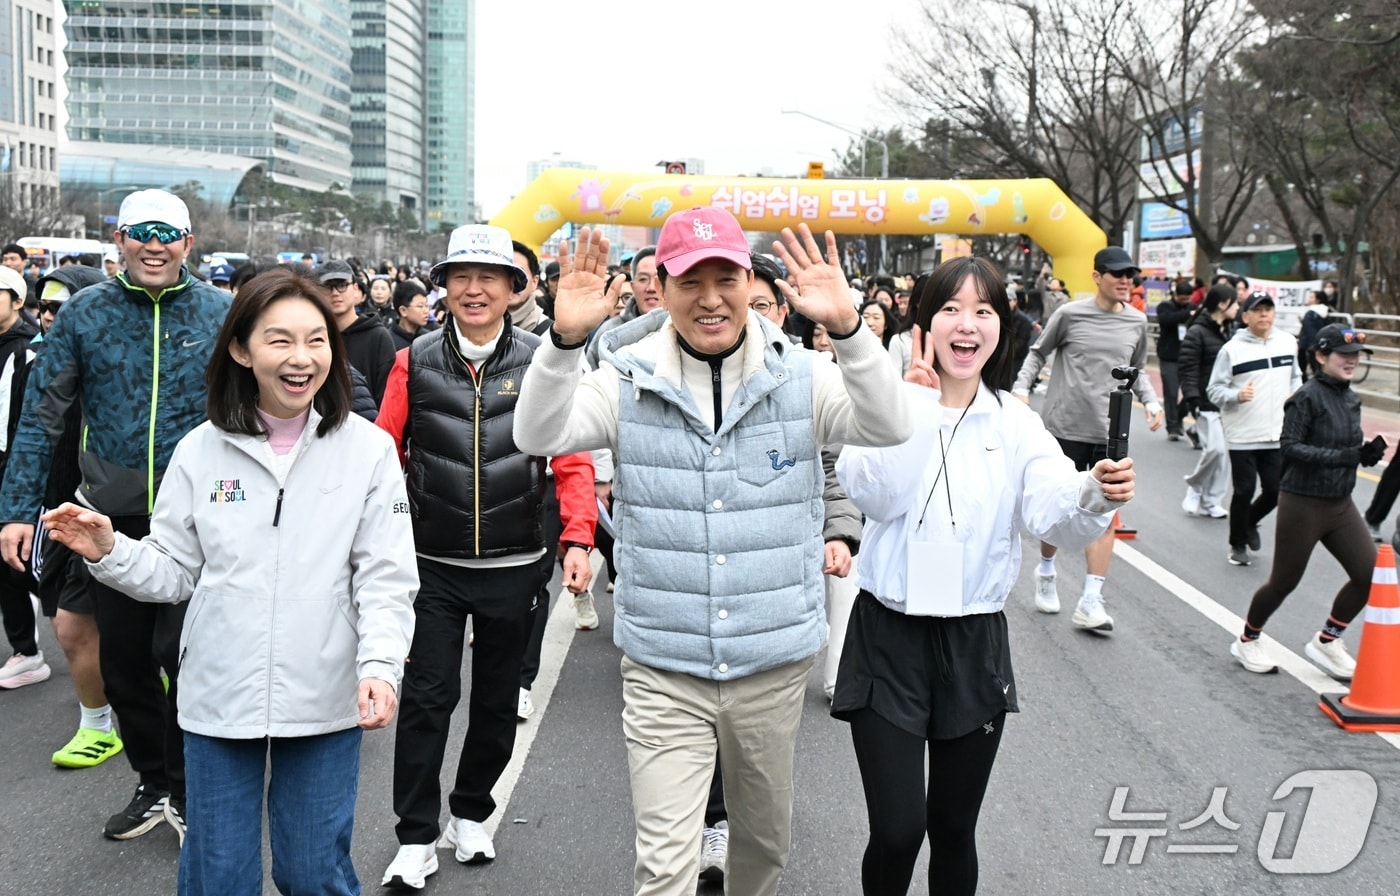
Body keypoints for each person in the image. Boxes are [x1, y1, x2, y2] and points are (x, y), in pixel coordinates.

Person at [513, 208, 910, 896]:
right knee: (664, 865)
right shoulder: (627, 377)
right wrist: (563, 340)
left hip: (772, 661)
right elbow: (538, 433)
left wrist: (848, 330)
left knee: (762, 845)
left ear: (750, 281)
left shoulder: (805, 376)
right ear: (661, 291)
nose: (710, 298)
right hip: (664, 667)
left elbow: (888, 423)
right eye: (689, 281)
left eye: (725, 277)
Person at [43, 267, 417, 895]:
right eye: (280, 340)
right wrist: (109, 550)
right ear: (241, 350)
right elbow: (174, 571)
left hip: (325, 696)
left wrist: (380, 666)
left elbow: (385, 575)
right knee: (217, 874)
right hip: (217, 696)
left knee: (314, 872)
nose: (301, 359)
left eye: (316, 339)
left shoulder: (368, 451)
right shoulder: (200, 450)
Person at [834, 256, 1134, 896]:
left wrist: (1095, 493)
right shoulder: (885, 406)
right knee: (896, 829)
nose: (965, 326)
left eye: (982, 311)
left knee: (952, 828)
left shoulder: (1016, 423)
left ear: (1001, 327)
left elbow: (1056, 517)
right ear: (925, 322)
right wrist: (913, 407)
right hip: (888, 638)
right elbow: (875, 496)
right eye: (949, 309)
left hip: (973, 643)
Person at [0, 189, 232, 842]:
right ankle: (154, 782)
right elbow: (42, 415)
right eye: (140, 232)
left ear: (189, 244)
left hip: (200, 520)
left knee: (185, 658)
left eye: (168, 233)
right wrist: (17, 509)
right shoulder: (84, 314)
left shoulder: (221, 314)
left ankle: (190, 792)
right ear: (120, 240)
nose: (153, 244)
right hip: (112, 523)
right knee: (126, 665)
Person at [376, 224, 595, 889]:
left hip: (516, 561)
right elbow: (384, 452)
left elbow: (571, 454)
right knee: (426, 701)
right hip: (431, 564)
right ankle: (414, 836)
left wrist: (578, 535)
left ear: (511, 288)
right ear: (444, 287)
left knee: (499, 702)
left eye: (489, 278)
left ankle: (470, 813)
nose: (474, 290)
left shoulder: (544, 358)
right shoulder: (413, 358)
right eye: (461, 277)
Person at [1011, 246, 1162, 631]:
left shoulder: (1136, 322)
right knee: (1060, 510)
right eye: (1117, 274)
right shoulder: (1070, 314)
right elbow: (1037, 353)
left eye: (1131, 274)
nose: (1126, 281)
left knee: (1106, 512)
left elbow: (1138, 370)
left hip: (1110, 435)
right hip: (1064, 428)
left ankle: (1091, 599)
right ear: (1097, 277)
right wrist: (1021, 389)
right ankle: (1046, 570)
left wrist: (1153, 402)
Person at [1229, 324, 1382, 679]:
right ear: (1320, 356)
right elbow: (1291, 448)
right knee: (1284, 581)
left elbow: (1345, 450)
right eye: (1344, 355)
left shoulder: (1350, 397)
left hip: (1340, 503)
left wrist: (1365, 455)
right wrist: (1345, 456)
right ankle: (1247, 639)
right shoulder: (1307, 396)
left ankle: (1328, 640)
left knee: (1370, 575)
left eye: (1356, 355)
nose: (1351, 361)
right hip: (1304, 503)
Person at [1207, 291, 1300, 567]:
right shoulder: (1231, 350)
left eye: (1268, 309)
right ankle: (1237, 544)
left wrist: (1295, 395)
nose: (1264, 314)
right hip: (1242, 434)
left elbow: (1296, 376)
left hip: (1276, 433)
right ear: (1245, 316)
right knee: (1244, 490)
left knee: (1275, 491)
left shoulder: (1287, 342)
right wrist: (1236, 396)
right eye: (1257, 310)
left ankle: (1249, 522)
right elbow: (1214, 389)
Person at [0, 265, 43, 689]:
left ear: (17, 301)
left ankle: (27, 651)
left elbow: (30, 423)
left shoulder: (27, 351)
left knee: (15, 564)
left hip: (13, 466)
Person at [1179, 285, 1239, 519]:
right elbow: (1188, 367)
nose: (1237, 307)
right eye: (1234, 303)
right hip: (1204, 401)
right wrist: (1193, 398)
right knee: (1214, 449)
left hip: (1229, 402)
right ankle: (1195, 485)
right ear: (1222, 304)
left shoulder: (1233, 330)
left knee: (1225, 455)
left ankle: (1212, 501)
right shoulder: (1197, 332)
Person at [318, 259, 395, 407]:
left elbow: (387, 399)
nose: (335, 293)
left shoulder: (377, 336)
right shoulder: (315, 338)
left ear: (355, 289)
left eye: (342, 285)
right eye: (328, 286)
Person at [1156, 280, 1196, 441]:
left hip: (1189, 356)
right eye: (1183, 299)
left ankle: (1180, 416)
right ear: (1176, 295)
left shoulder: (1193, 308)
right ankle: (1172, 427)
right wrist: (1188, 314)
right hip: (1169, 357)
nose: (1186, 302)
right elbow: (1167, 320)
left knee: (1191, 393)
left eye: (1189, 299)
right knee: (1171, 393)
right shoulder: (1165, 307)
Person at [1296, 288, 1336, 379]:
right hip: (1321, 345)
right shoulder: (1326, 312)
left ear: (1317, 300)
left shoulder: (1310, 314)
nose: (1309, 299)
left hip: (1308, 346)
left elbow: (1309, 330)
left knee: (1303, 371)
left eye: (1311, 297)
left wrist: (1312, 345)